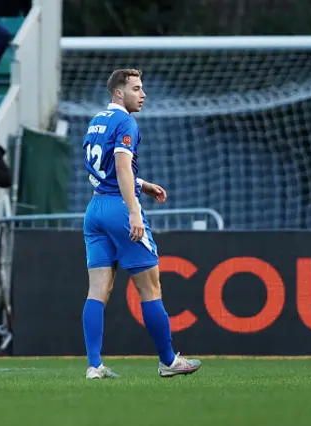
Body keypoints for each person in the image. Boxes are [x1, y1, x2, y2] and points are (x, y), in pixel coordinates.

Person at [82, 69, 201, 379]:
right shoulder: (126, 123)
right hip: (119, 208)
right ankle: (168, 361)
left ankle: (94, 366)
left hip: (95, 209)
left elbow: (104, 168)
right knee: (150, 289)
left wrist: (143, 183)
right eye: (136, 88)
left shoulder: (96, 121)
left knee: (97, 291)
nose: (143, 94)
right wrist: (134, 210)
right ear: (119, 93)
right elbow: (121, 168)